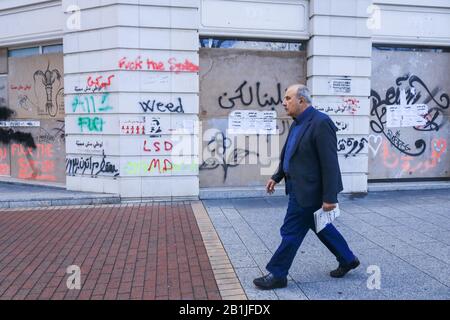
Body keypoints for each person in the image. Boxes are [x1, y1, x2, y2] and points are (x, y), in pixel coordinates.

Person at [253, 84, 360, 290]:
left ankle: (278, 274)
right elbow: (290, 153)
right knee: (320, 226)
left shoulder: (321, 123)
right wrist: (277, 176)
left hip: (309, 191)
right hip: (297, 187)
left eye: (288, 98)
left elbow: (330, 163)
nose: (284, 103)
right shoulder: (297, 123)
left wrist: (330, 197)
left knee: (291, 230)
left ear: (301, 100)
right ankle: (347, 258)